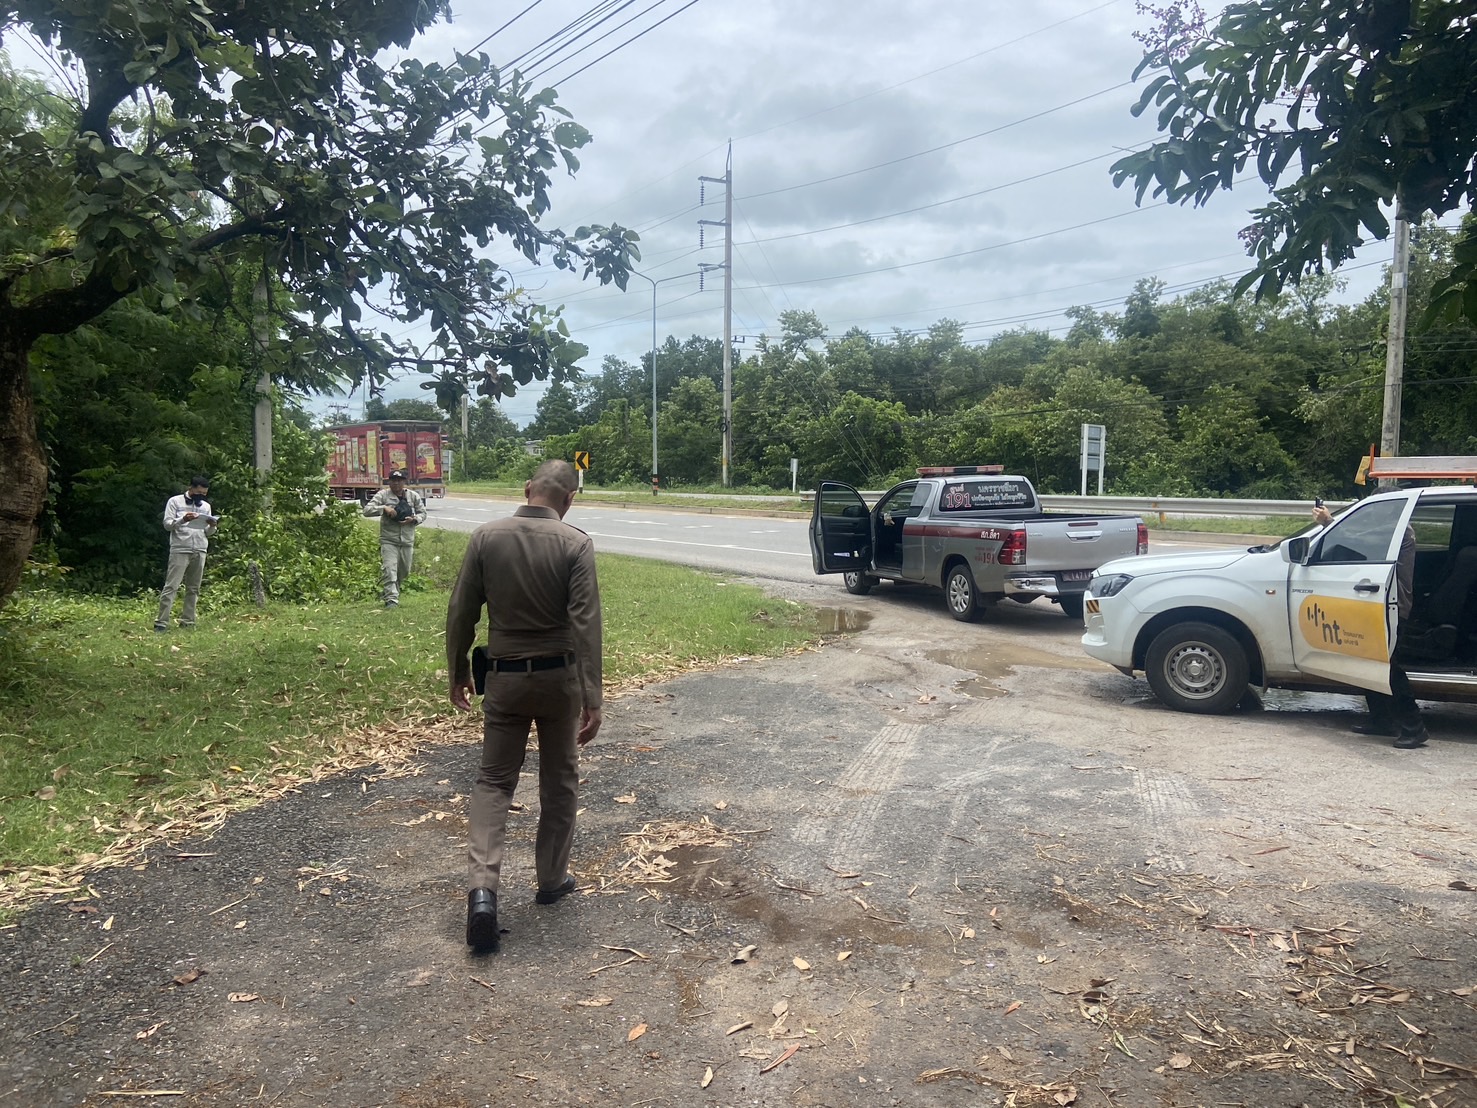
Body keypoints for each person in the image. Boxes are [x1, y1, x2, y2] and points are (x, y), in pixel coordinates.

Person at [445, 460, 603, 955]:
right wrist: (593, 696)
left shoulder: (485, 537)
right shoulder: (575, 544)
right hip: (560, 681)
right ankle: (551, 880)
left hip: (505, 680)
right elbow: (586, 625)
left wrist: (458, 671)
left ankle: (483, 892)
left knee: (494, 782)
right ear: (569, 499)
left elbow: (461, 611)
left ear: (528, 488)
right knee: (560, 779)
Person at [1313, 503, 1428, 748]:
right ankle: (1381, 719)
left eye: (1378, 509)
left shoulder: (1399, 531)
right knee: (1369, 661)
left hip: (1392, 606)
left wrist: (1330, 523)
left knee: (1388, 668)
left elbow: (1359, 543)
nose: (1375, 514)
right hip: (1380, 604)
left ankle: (1414, 727)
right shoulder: (1391, 529)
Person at [155, 476, 218, 632]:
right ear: (191, 488)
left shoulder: (206, 506)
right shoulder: (175, 502)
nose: (201, 496)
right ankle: (161, 622)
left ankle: (188, 621)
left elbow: (208, 532)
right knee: (172, 586)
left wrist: (212, 526)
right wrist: (183, 519)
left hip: (200, 548)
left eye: (204, 494)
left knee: (194, 587)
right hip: (180, 548)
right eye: (199, 493)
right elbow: (167, 525)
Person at [363, 470, 427, 608]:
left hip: (407, 540)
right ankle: (391, 599)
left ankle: (392, 591)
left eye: (399, 480)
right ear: (389, 482)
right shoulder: (383, 495)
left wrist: (414, 519)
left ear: (404, 482)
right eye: (393, 480)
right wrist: (384, 508)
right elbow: (366, 510)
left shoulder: (413, 496)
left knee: (404, 570)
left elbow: (423, 513)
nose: (396, 483)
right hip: (389, 539)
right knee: (389, 568)